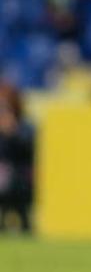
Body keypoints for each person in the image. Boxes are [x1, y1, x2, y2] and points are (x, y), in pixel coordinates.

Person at [0, 81, 35, 234]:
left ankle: (24, 222)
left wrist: (12, 133)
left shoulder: (26, 127)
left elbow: (28, 153)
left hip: (21, 178)